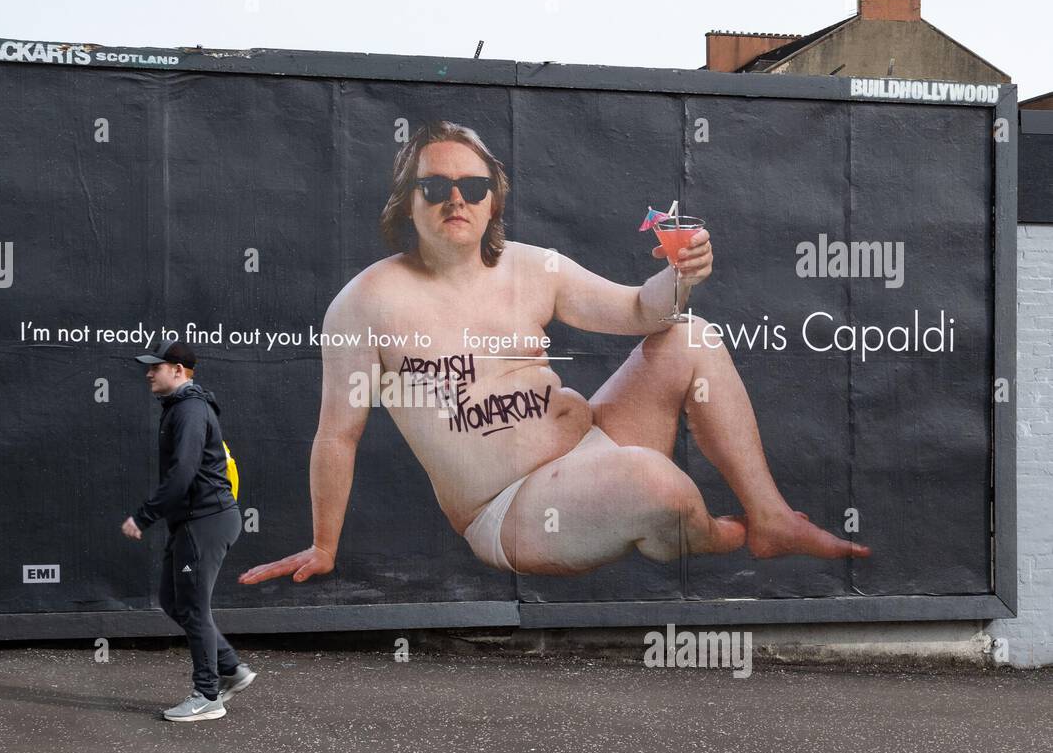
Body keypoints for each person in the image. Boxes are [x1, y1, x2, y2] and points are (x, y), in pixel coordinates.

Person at [239, 120, 870, 587]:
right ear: (408, 201)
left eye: (473, 185)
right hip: (511, 508)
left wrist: (678, 279)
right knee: (661, 487)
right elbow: (337, 436)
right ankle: (695, 533)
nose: (456, 199)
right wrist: (324, 546)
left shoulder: (531, 265)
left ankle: (770, 518)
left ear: (494, 199)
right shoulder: (364, 303)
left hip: (594, 443)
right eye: (435, 186)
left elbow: (636, 312)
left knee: (691, 333)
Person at [122, 340, 255, 721]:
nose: (148, 372)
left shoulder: (191, 410)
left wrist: (144, 516)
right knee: (172, 598)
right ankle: (230, 667)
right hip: (193, 521)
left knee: (194, 608)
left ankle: (207, 695)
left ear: (178, 371)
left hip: (206, 520)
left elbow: (183, 473)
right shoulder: (181, 408)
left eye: (156, 367)